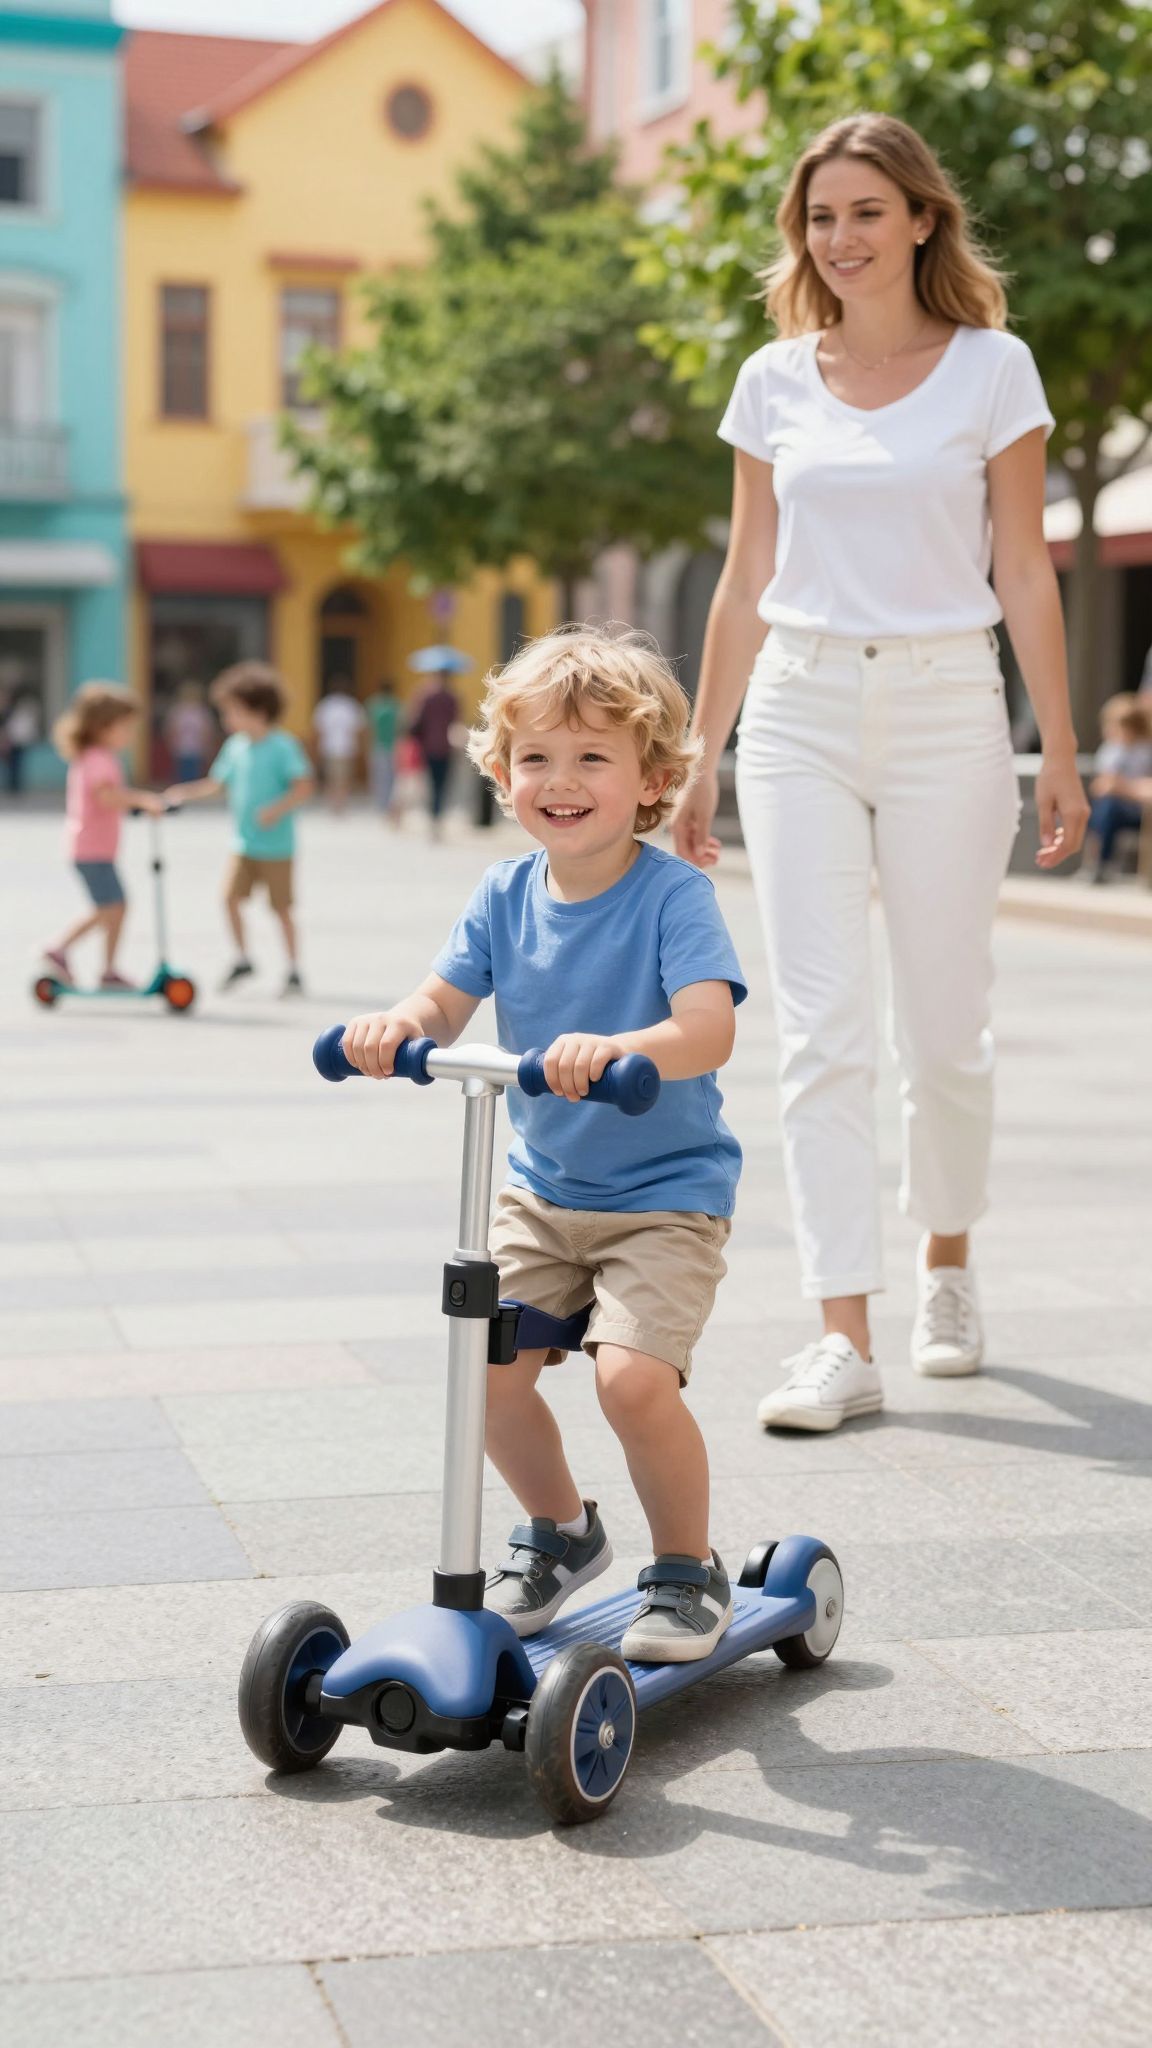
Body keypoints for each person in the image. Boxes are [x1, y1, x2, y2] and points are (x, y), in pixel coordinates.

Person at [674, 113, 1089, 1433]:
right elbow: (745, 579)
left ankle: (947, 1264)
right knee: (817, 1029)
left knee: (945, 1029)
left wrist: (1062, 748)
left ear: (922, 219)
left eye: (864, 211)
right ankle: (840, 1334)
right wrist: (698, 758)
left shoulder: (992, 370)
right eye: (818, 217)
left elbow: (1024, 567)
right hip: (795, 707)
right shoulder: (772, 381)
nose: (838, 239)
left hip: (947, 704)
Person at [340, 627, 746, 1662]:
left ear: (654, 778)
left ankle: (689, 1569)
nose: (560, 782)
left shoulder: (673, 897)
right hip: (541, 1191)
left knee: (631, 1380)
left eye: (593, 758)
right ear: (500, 769)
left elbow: (710, 1026)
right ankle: (564, 1532)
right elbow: (442, 997)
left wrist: (619, 1045)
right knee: (482, 1370)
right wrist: (398, 1026)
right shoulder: (502, 894)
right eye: (537, 758)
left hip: (662, 1195)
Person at [166, 661, 314, 996]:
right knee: (229, 898)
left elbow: (304, 786)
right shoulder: (235, 747)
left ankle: (293, 969)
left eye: (233, 711)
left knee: (282, 909)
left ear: (258, 711)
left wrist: (276, 810)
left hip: (277, 846)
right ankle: (243, 958)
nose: (226, 719)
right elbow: (218, 784)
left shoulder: (282, 746)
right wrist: (183, 793)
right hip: (244, 844)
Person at [42, 682, 165, 989]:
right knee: (110, 908)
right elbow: (106, 797)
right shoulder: (98, 759)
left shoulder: (93, 756)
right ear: (101, 727)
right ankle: (62, 949)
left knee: (114, 907)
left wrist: (133, 804)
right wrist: (143, 801)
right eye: (125, 728)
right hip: (91, 850)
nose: (129, 735)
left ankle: (106, 967)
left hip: (93, 848)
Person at [1084, 695, 1152, 881]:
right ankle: (1097, 864)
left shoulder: (1146, 752)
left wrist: (1122, 787)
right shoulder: (1110, 750)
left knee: (1109, 809)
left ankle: (1101, 864)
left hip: (1139, 812)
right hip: (1111, 805)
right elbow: (1100, 785)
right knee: (1099, 809)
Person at [408, 670, 460, 838]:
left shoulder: (426, 697)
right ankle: (438, 817)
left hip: (429, 747)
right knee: (442, 784)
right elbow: (456, 720)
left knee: (431, 784)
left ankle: (433, 817)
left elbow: (416, 722)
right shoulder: (452, 698)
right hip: (445, 746)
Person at [312, 678, 366, 814]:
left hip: (329, 747)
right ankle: (341, 803)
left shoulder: (325, 705)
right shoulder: (351, 705)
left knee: (330, 777)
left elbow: (318, 729)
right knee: (344, 778)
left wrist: (315, 749)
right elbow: (358, 728)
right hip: (346, 748)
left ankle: (332, 804)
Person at [363, 677, 401, 822]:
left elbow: (368, 727)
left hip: (377, 744)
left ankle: (381, 804)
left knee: (379, 776)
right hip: (392, 745)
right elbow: (400, 726)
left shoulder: (373, 704)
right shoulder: (395, 704)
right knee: (391, 776)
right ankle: (388, 804)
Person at [163, 683, 216, 784]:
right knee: (182, 773)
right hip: (182, 747)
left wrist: (207, 745)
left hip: (196, 748)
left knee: (193, 773)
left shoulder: (201, 712)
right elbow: (172, 729)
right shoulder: (178, 711)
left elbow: (206, 732)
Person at [4, 691, 41, 795]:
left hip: (19, 742)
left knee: (17, 766)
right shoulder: (11, 713)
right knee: (14, 766)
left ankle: (15, 786)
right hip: (13, 743)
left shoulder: (20, 714)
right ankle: (13, 786)